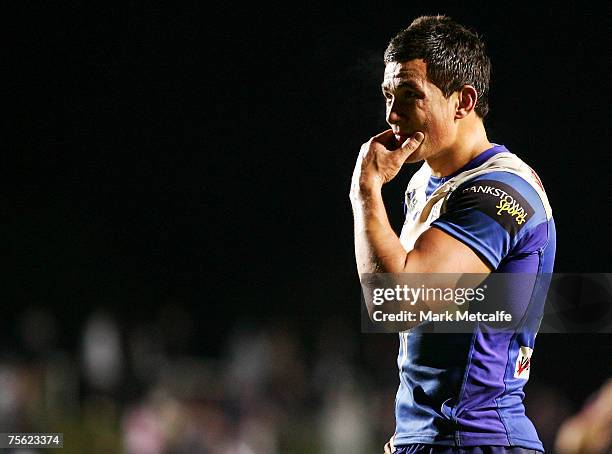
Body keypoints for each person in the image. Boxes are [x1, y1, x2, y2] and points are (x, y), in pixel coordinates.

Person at [349, 15, 556, 453]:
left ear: (463, 101)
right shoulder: (425, 181)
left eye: (410, 96)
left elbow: (398, 302)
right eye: (388, 94)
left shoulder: (501, 191)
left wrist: (365, 192)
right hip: (432, 437)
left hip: (477, 438)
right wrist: (408, 430)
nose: (392, 114)